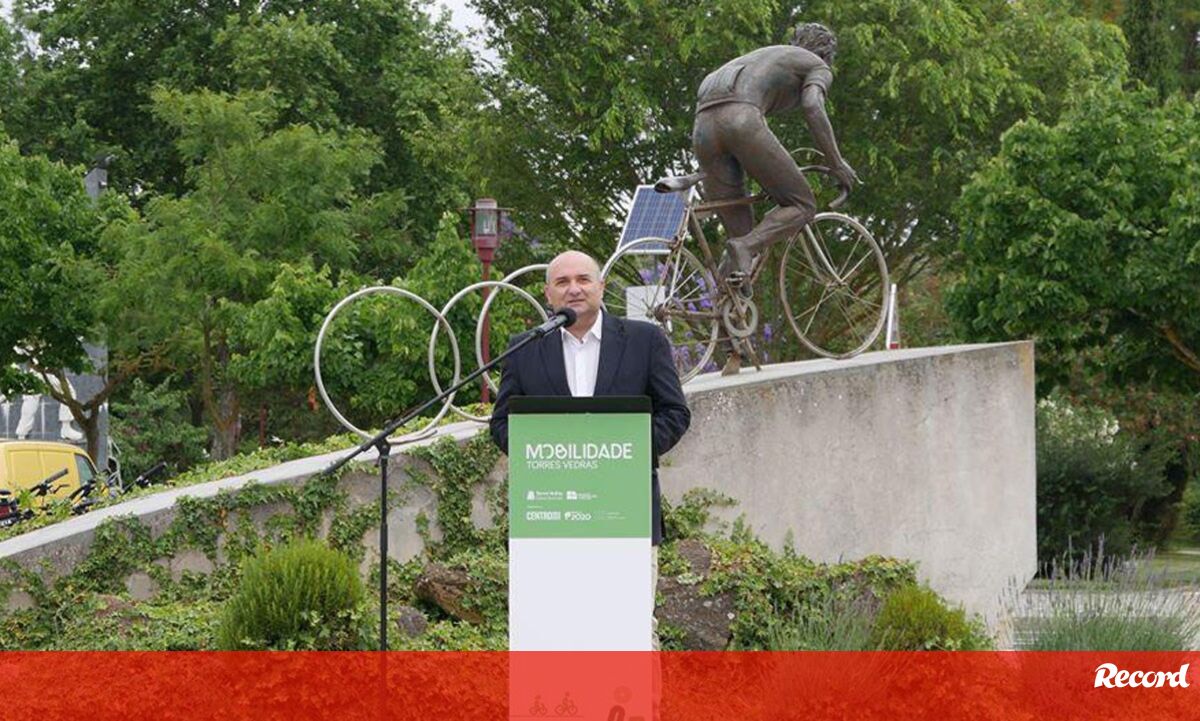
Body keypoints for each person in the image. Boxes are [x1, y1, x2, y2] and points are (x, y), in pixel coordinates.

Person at [489, 250, 691, 648]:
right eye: (562, 282)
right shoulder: (524, 348)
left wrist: (619, 453)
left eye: (583, 279)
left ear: (601, 286)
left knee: (629, 636)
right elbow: (502, 423)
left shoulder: (644, 340)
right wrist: (546, 459)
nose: (574, 289)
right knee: (556, 636)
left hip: (625, 513)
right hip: (551, 519)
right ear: (548, 294)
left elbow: (674, 413)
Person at [691, 22, 859, 283]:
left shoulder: (763, 57)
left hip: (702, 131)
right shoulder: (817, 64)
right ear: (826, 54)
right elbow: (813, 106)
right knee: (802, 205)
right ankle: (745, 247)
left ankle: (725, 302)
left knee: (740, 239)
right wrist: (836, 163)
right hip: (741, 120)